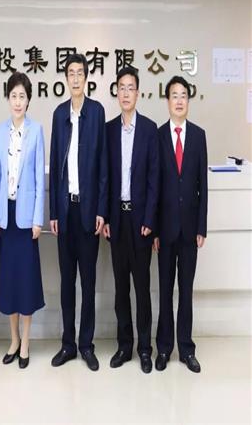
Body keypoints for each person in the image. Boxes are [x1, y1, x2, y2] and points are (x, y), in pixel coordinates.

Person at [49, 53, 108, 370]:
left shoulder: (96, 112)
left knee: (88, 282)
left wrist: (101, 209)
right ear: (66, 78)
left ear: (86, 78)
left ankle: (86, 345)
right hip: (65, 211)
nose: (75, 78)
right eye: (70, 73)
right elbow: (55, 162)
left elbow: (103, 165)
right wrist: (53, 212)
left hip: (88, 212)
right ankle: (68, 344)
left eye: (79, 73)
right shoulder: (59, 114)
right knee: (67, 282)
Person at [103, 67, 159, 373]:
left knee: (142, 286)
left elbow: (154, 180)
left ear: (138, 93)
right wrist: (106, 217)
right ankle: (124, 346)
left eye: (131, 88)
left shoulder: (149, 129)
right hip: (117, 220)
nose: (126, 93)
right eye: (121, 88)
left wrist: (150, 218)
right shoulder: (109, 130)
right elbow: (106, 178)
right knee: (121, 287)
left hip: (141, 223)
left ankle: (145, 348)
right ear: (117, 92)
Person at [0, 72, 45, 369]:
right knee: (9, 282)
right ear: (8, 98)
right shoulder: (0, 132)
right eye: (13, 95)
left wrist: (38, 219)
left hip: (26, 220)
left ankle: (26, 341)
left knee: (26, 282)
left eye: (22, 96)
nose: (17, 101)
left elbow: (38, 178)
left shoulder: (37, 131)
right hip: (6, 218)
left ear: (28, 100)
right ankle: (13, 339)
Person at [154, 76, 208, 373]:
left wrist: (201, 227)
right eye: (174, 95)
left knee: (186, 291)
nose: (179, 100)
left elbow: (203, 186)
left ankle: (186, 349)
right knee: (165, 291)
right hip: (164, 231)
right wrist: (154, 230)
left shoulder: (198, 136)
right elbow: (155, 186)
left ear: (188, 100)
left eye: (183, 95)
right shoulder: (159, 136)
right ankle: (164, 348)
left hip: (189, 230)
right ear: (167, 101)